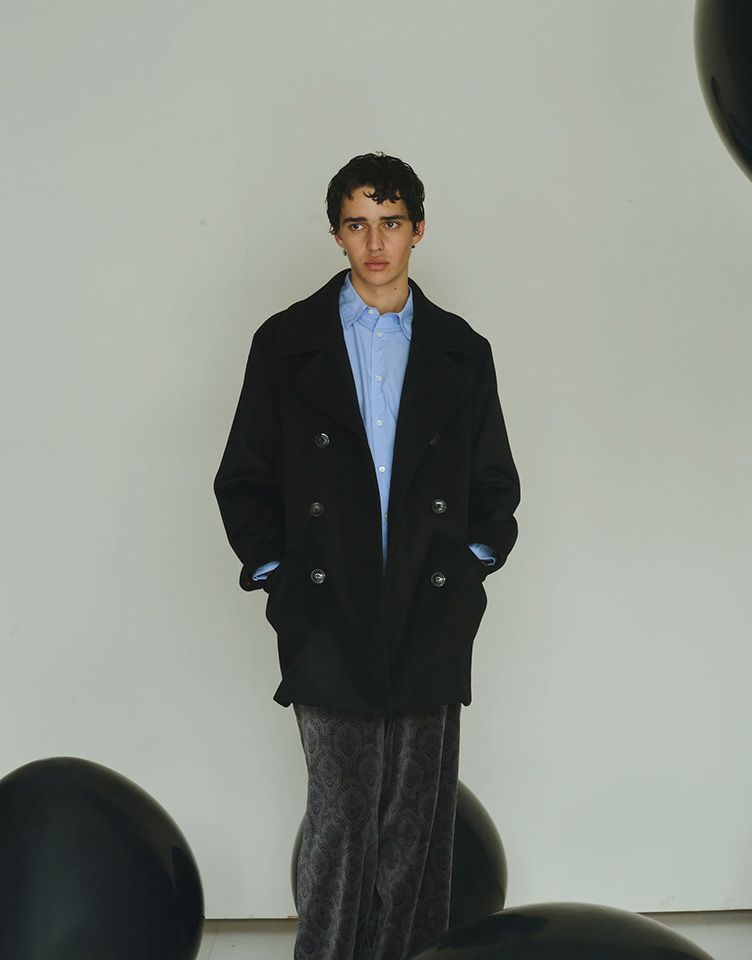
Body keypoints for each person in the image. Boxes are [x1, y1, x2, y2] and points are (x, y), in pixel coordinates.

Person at [213, 151, 520, 960]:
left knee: (414, 828)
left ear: (419, 229)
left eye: (390, 223)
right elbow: (244, 478)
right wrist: (282, 579)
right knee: (342, 822)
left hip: (429, 609)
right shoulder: (285, 344)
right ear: (336, 234)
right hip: (328, 612)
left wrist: (468, 566)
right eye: (357, 225)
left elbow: (493, 481)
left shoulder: (462, 350)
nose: (375, 243)